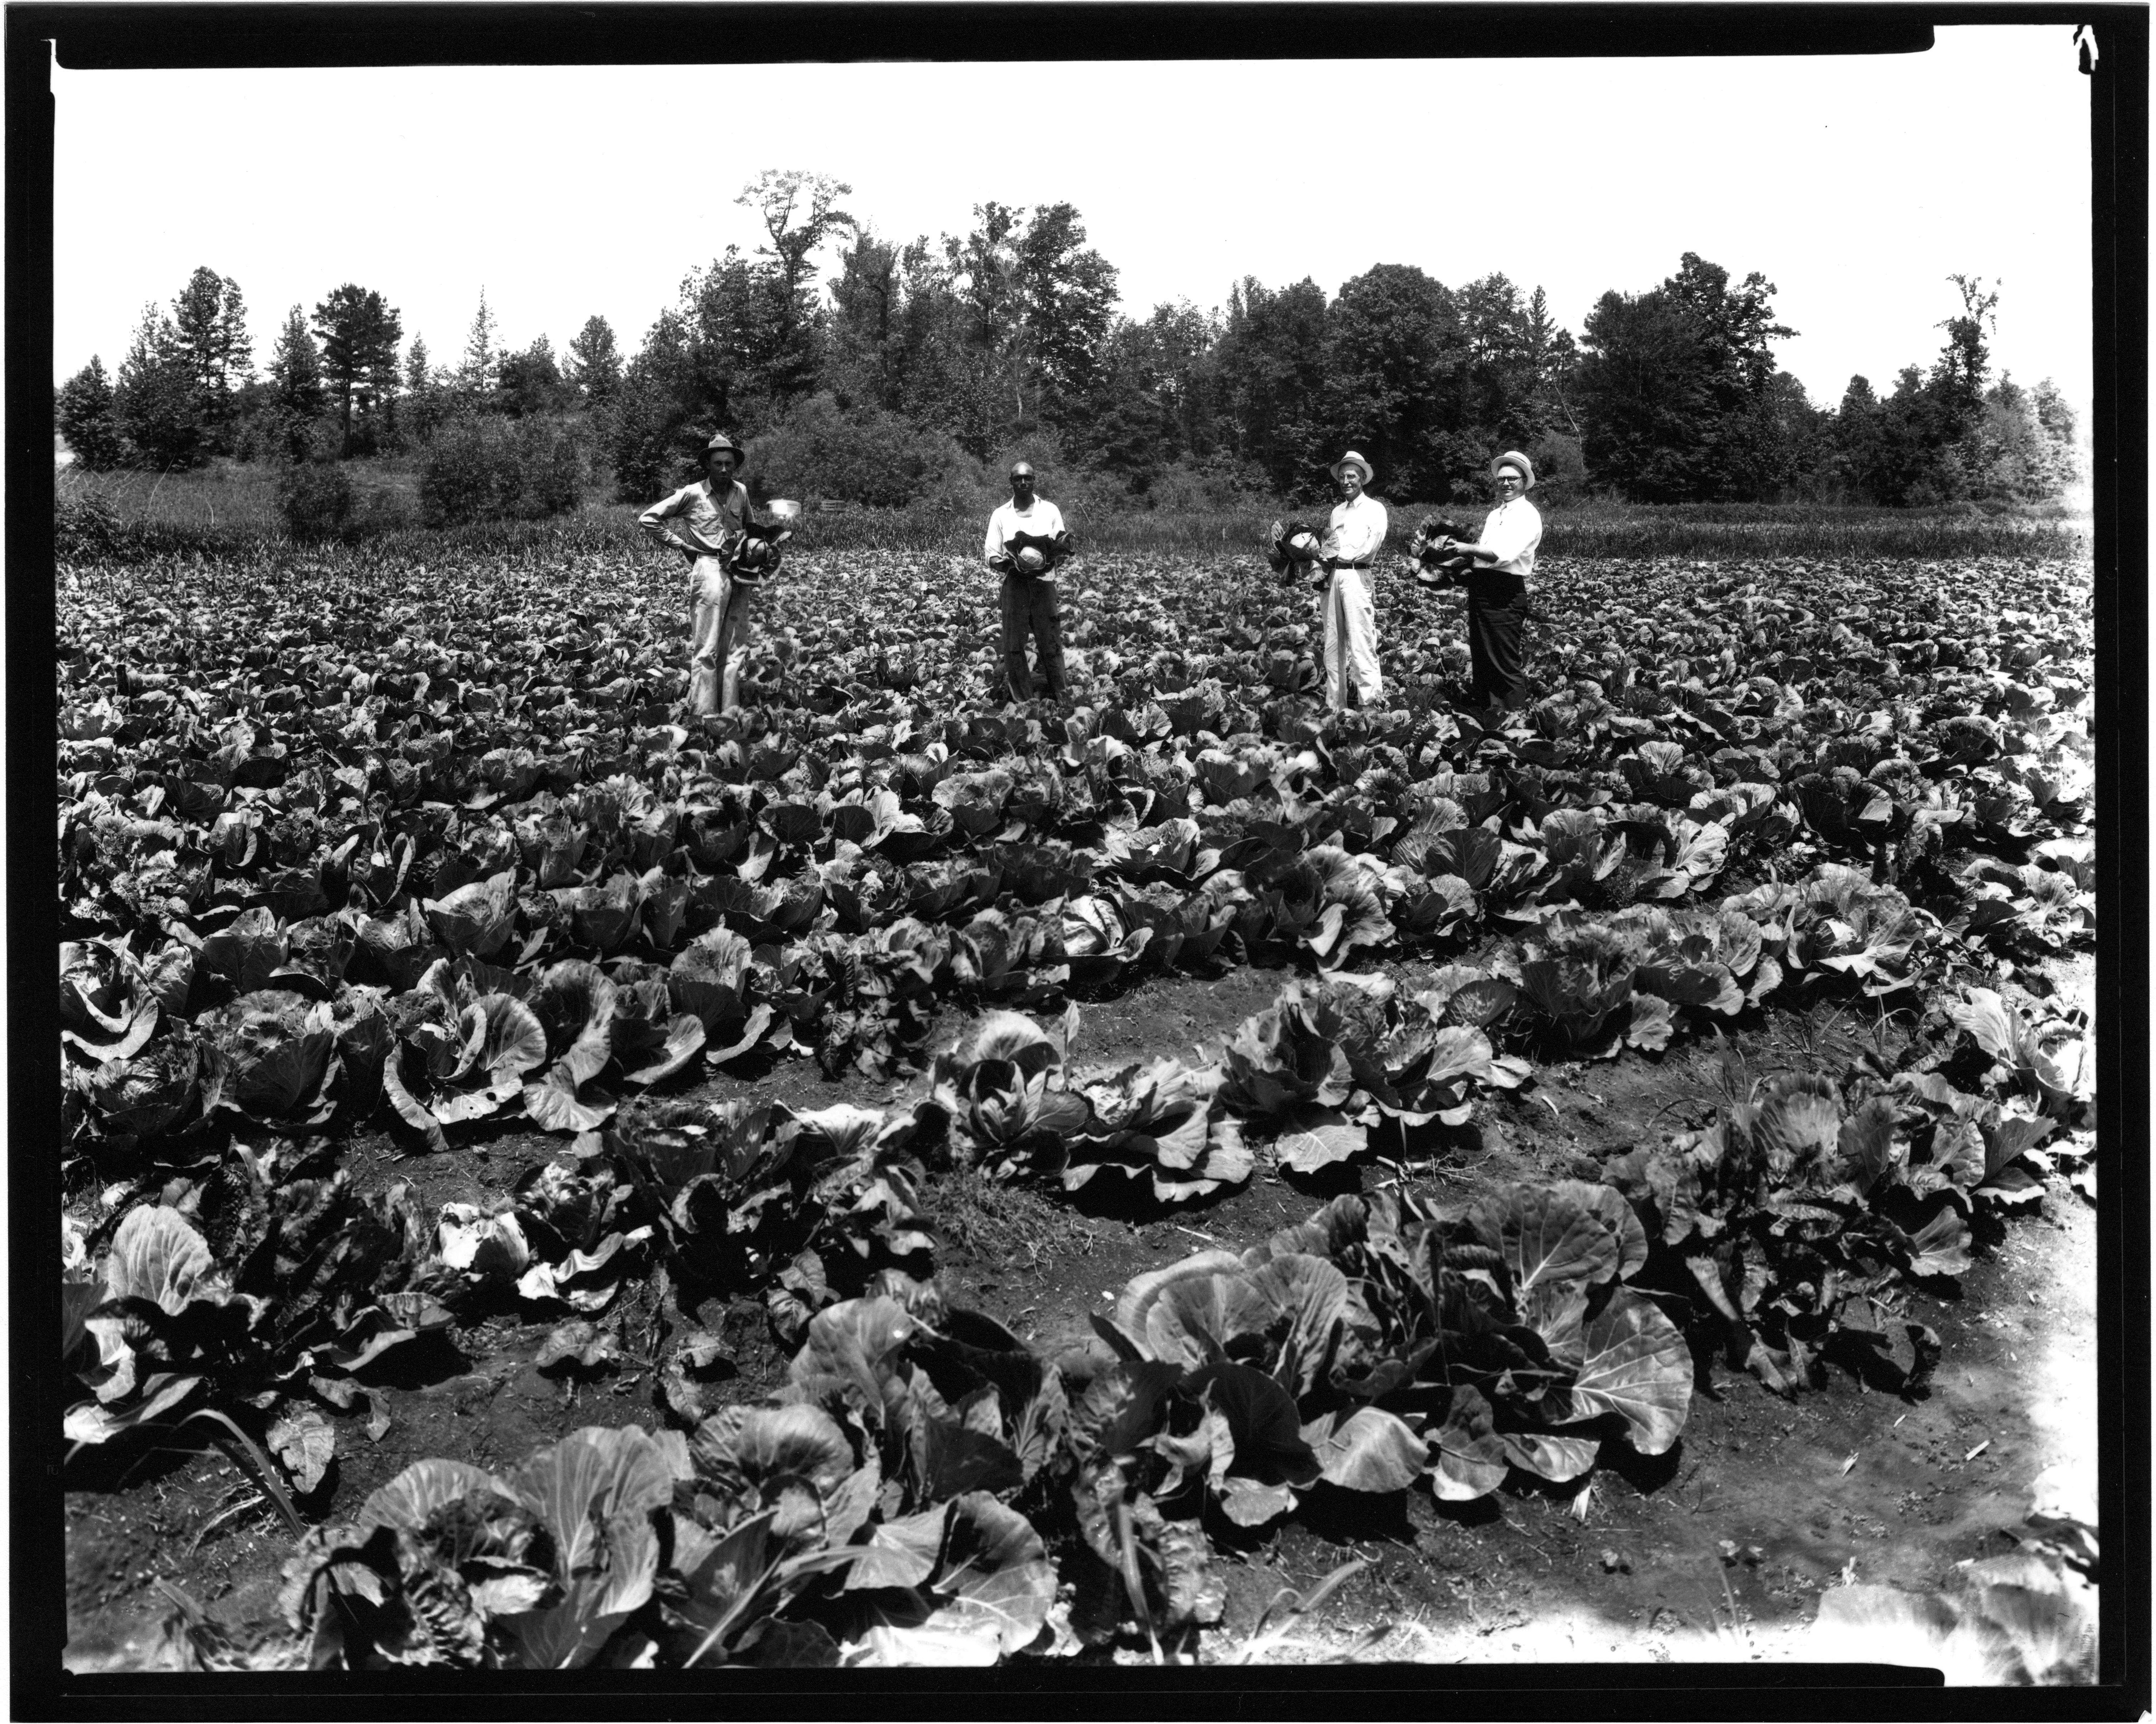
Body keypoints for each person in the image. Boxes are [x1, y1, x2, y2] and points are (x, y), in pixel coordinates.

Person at [640, 433, 760, 715]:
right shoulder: (692, 493)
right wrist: (682, 546)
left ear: (735, 465)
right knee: (706, 647)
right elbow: (649, 518)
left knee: (734, 646)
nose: (723, 469)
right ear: (708, 464)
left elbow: (752, 528)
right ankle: (703, 715)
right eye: (718, 463)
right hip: (708, 566)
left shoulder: (740, 491)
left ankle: (729, 712)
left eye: (729, 464)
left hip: (739, 569)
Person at [1428, 450, 1543, 717]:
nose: (1505, 484)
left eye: (1512, 479)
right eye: (1501, 479)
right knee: (1482, 658)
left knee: (1503, 661)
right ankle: (1488, 716)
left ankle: (1515, 722)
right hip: (1483, 588)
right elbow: (1482, 558)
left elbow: (1501, 555)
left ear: (1524, 481)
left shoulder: (1527, 514)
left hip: (1504, 591)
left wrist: (1462, 548)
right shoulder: (1495, 515)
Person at [1272, 450, 1387, 713]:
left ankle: (1370, 706)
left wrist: (1329, 556)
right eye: (1343, 477)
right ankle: (1335, 704)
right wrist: (1306, 558)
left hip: (1357, 576)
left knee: (1362, 642)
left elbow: (1369, 547)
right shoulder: (1337, 512)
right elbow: (1327, 545)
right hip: (1332, 577)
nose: (1346, 481)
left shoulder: (1375, 509)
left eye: (1352, 476)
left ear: (1363, 479)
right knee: (1333, 643)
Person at [984, 461, 1075, 706]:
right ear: (1010, 482)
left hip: (1044, 583)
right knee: (1014, 645)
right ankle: (1023, 700)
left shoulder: (1050, 510)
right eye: (1017, 479)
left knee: (1051, 642)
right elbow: (991, 554)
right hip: (1015, 584)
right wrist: (1013, 564)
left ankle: (1061, 696)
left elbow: (1062, 546)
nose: (1023, 483)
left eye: (1027, 478)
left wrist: (1047, 562)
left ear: (1034, 480)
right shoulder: (1000, 514)